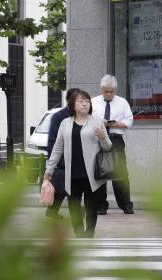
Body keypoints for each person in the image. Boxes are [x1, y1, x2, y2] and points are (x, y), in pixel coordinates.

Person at [44, 90, 112, 237]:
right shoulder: (65, 123)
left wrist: (103, 137)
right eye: (81, 101)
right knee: (74, 206)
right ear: (72, 105)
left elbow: (108, 147)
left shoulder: (97, 121)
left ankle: (89, 233)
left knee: (91, 206)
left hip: (91, 173)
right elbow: (57, 148)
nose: (84, 103)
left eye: (87, 101)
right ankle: (79, 233)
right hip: (72, 173)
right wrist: (49, 170)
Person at [91, 75, 135, 215]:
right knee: (100, 172)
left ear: (115, 90)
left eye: (111, 91)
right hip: (98, 139)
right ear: (101, 89)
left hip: (116, 138)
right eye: (106, 91)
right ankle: (100, 205)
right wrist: (100, 123)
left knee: (120, 172)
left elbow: (129, 121)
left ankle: (126, 204)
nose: (109, 94)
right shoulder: (93, 102)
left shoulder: (122, 102)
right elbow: (87, 120)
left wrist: (117, 124)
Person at [45, 88, 80, 220]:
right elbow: (52, 141)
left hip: (77, 158)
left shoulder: (82, 115)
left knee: (64, 188)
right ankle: (74, 213)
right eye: (77, 100)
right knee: (64, 187)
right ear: (68, 101)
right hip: (63, 160)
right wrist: (53, 162)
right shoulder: (58, 116)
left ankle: (53, 210)